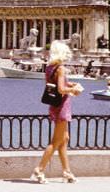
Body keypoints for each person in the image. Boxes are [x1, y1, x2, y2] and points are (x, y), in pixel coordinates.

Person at [31, 40, 83, 184]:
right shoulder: (60, 68)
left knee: (64, 139)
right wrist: (73, 89)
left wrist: (69, 84)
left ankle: (67, 172)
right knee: (56, 141)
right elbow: (60, 89)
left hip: (54, 105)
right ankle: (39, 169)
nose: (67, 55)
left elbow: (53, 85)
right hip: (62, 106)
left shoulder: (50, 67)